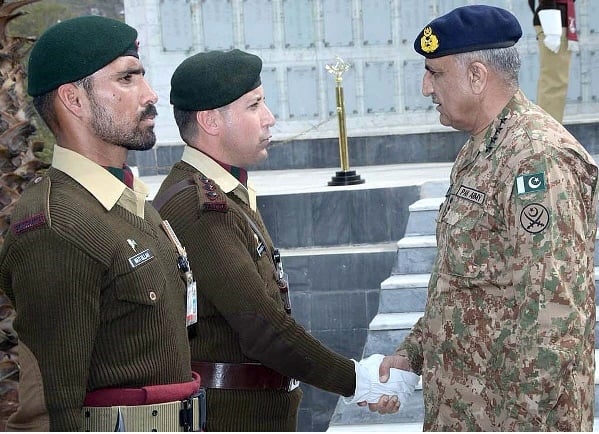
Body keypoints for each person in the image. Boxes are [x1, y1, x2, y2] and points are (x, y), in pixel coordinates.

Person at [153, 48, 419, 431]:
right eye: (254, 105)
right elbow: (263, 327)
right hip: (231, 418)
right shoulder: (199, 207)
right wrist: (358, 381)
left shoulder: (224, 192)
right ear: (211, 120)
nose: (269, 118)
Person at [369, 5, 598, 431]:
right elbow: (463, 288)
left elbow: (554, 317)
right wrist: (411, 354)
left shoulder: (538, 160)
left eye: (434, 73)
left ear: (476, 76)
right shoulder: (481, 150)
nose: (424, 87)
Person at [0, 16, 204, 431]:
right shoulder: (57, 227)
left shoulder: (128, 200)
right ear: (73, 99)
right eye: (127, 78)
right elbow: (55, 410)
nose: (150, 95)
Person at [529, 0, 578, 123]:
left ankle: (547, 133)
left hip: (557, 15)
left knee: (555, 83)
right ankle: (548, 136)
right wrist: (549, 12)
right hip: (553, 17)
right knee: (554, 84)